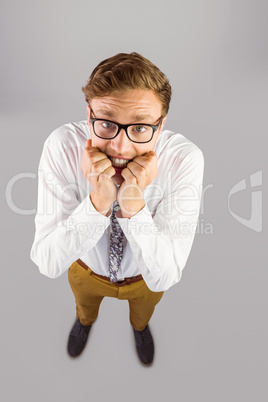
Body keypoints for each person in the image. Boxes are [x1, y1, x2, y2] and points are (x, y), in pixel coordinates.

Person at [30, 52, 204, 365]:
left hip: (143, 281)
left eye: (139, 128)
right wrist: (98, 200)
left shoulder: (184, 160)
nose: (120, 148)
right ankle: (84, 324)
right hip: (85, 271)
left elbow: (163, 276)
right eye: (107, 123)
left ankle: (139, 329)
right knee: (84, 309)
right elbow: (47, 261)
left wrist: (134, 205)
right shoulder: (62, 146)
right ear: (89, 115)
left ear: (161, 125)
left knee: (142, 314)